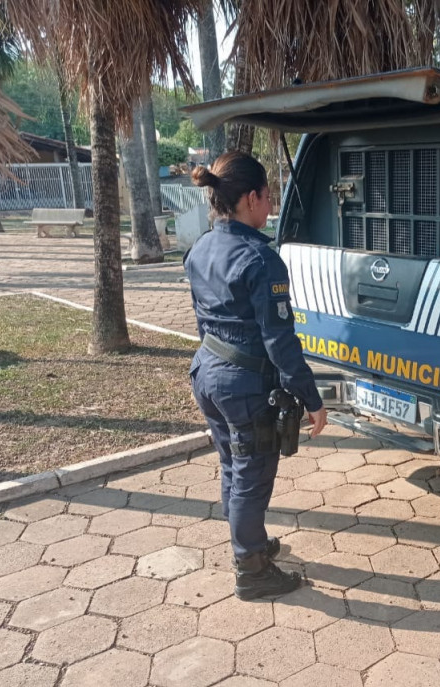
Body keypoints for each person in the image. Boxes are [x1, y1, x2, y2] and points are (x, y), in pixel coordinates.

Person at [185, 152, 327, 600]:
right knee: (251, 473)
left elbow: (202, 320)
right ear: (251, 198)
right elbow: (280, 343)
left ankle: (250, 544)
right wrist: (313, 399)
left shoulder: (201, 247)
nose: (271, 206)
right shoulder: (262, 261)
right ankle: (251, 570)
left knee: (232, 463)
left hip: (208, 372)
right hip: (244, 384)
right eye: (269, 197)